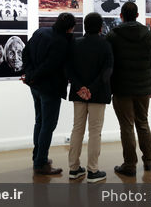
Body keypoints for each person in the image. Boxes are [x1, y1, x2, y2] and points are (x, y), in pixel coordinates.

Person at [106, 2, 151, 177]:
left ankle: (130, 164)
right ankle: (148, 161)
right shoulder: (148, 34)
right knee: (143, 123)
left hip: (121, 88)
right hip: (144, 87)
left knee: (127, 126)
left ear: (121, 16)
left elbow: (108, 63)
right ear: (137, 15)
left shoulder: (113, 35)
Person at [22, 13, 76, 175]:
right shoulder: (61, 42)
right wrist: (33, 76)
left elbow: (26, 53)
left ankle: (38, 156)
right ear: (69, 28)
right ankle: (40, 162)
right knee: (48, 125)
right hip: (49, 88)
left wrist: (30, 75)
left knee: (39, 121)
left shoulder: (40, 32)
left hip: (36, 87)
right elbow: (49, 66)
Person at [67, 12, 113, 183]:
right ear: (101, 27)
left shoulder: (75, 43)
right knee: (95, 132)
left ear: (85, 26)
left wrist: (81, 88)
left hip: (78, 93)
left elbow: (68, 69)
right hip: (98, 93)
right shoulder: (105, 44)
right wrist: (91, 89)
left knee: (77, 129)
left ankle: (73, 169)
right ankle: (93, 170)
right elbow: (107, 71)